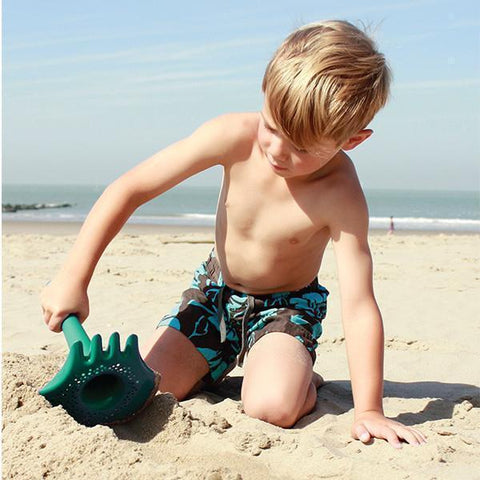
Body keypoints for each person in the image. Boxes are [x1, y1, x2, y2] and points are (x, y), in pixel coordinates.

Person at [41, 20, 426, 448]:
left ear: (352, 140)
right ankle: (219, 362)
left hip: (285, 311)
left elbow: (359, 305)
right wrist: (73, 277)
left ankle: (299, 375)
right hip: (214, 294)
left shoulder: (341, 194)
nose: (278, 151)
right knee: (149, 390)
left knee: (271, 408)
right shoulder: (233, 136)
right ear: (263, 93)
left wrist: (369, 408)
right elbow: (131, 189)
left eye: (302, 148)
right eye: (272, 126)